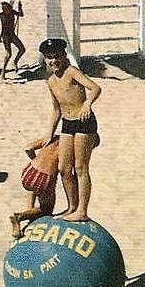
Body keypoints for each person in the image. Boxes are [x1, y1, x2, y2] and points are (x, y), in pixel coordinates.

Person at [39, 38, 101, 221]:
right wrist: (48, 134)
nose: (53, 61)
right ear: (45, 59)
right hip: (67, 123)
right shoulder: (50, 81)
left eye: (57, 56)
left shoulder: (72, 72)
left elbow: (95, 88)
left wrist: (87, 103)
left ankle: (82, 211)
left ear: (64, 56)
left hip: (84, 122)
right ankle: (71, 207)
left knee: (80, 168)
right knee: (64, 169)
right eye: (49, 58)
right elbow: (56, 109)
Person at [10, 135, 62, 238]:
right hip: (44, 178)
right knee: (46, 209)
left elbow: (28, 148)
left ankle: (30, 212)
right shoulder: (69, 145)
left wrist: (36, 161)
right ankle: (20, 216)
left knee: (32, 187)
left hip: (29, 171)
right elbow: (65, 170)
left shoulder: (53, 137)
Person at [0, 0, 25, 78]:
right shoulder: (1, 15)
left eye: (6, 8)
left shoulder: (13, 12)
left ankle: (15, 62)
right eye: (3, 8)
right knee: (8, 54)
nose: (4, 9)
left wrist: (20, 8)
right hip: (5, 36)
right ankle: (3, 72)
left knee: (22, 49)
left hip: (12, 35)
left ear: (10, 7)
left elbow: (21, 15)